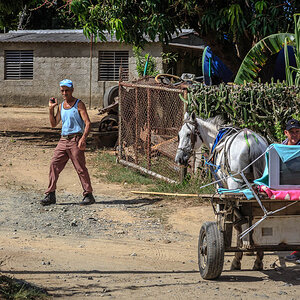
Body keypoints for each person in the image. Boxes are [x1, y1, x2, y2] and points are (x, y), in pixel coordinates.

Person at [40, 79, 95, 206]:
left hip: (75, 140)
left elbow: (87, 123)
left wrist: (83, 138)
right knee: (54, 164)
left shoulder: (78, 104)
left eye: (67, 90)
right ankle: (50, 194)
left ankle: (88, 195)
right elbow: (54, 124)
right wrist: (51, 109)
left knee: (80, 168)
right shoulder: (61, 106)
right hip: (63, 140)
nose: (64, 93)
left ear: (72, 90)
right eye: (62, 91)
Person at [282, 118, 300, 263]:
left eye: (297, 132)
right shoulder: (279, 148)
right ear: (286, 133)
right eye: (292, 132)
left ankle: (297, 252)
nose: (294, 135)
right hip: (282, 189)